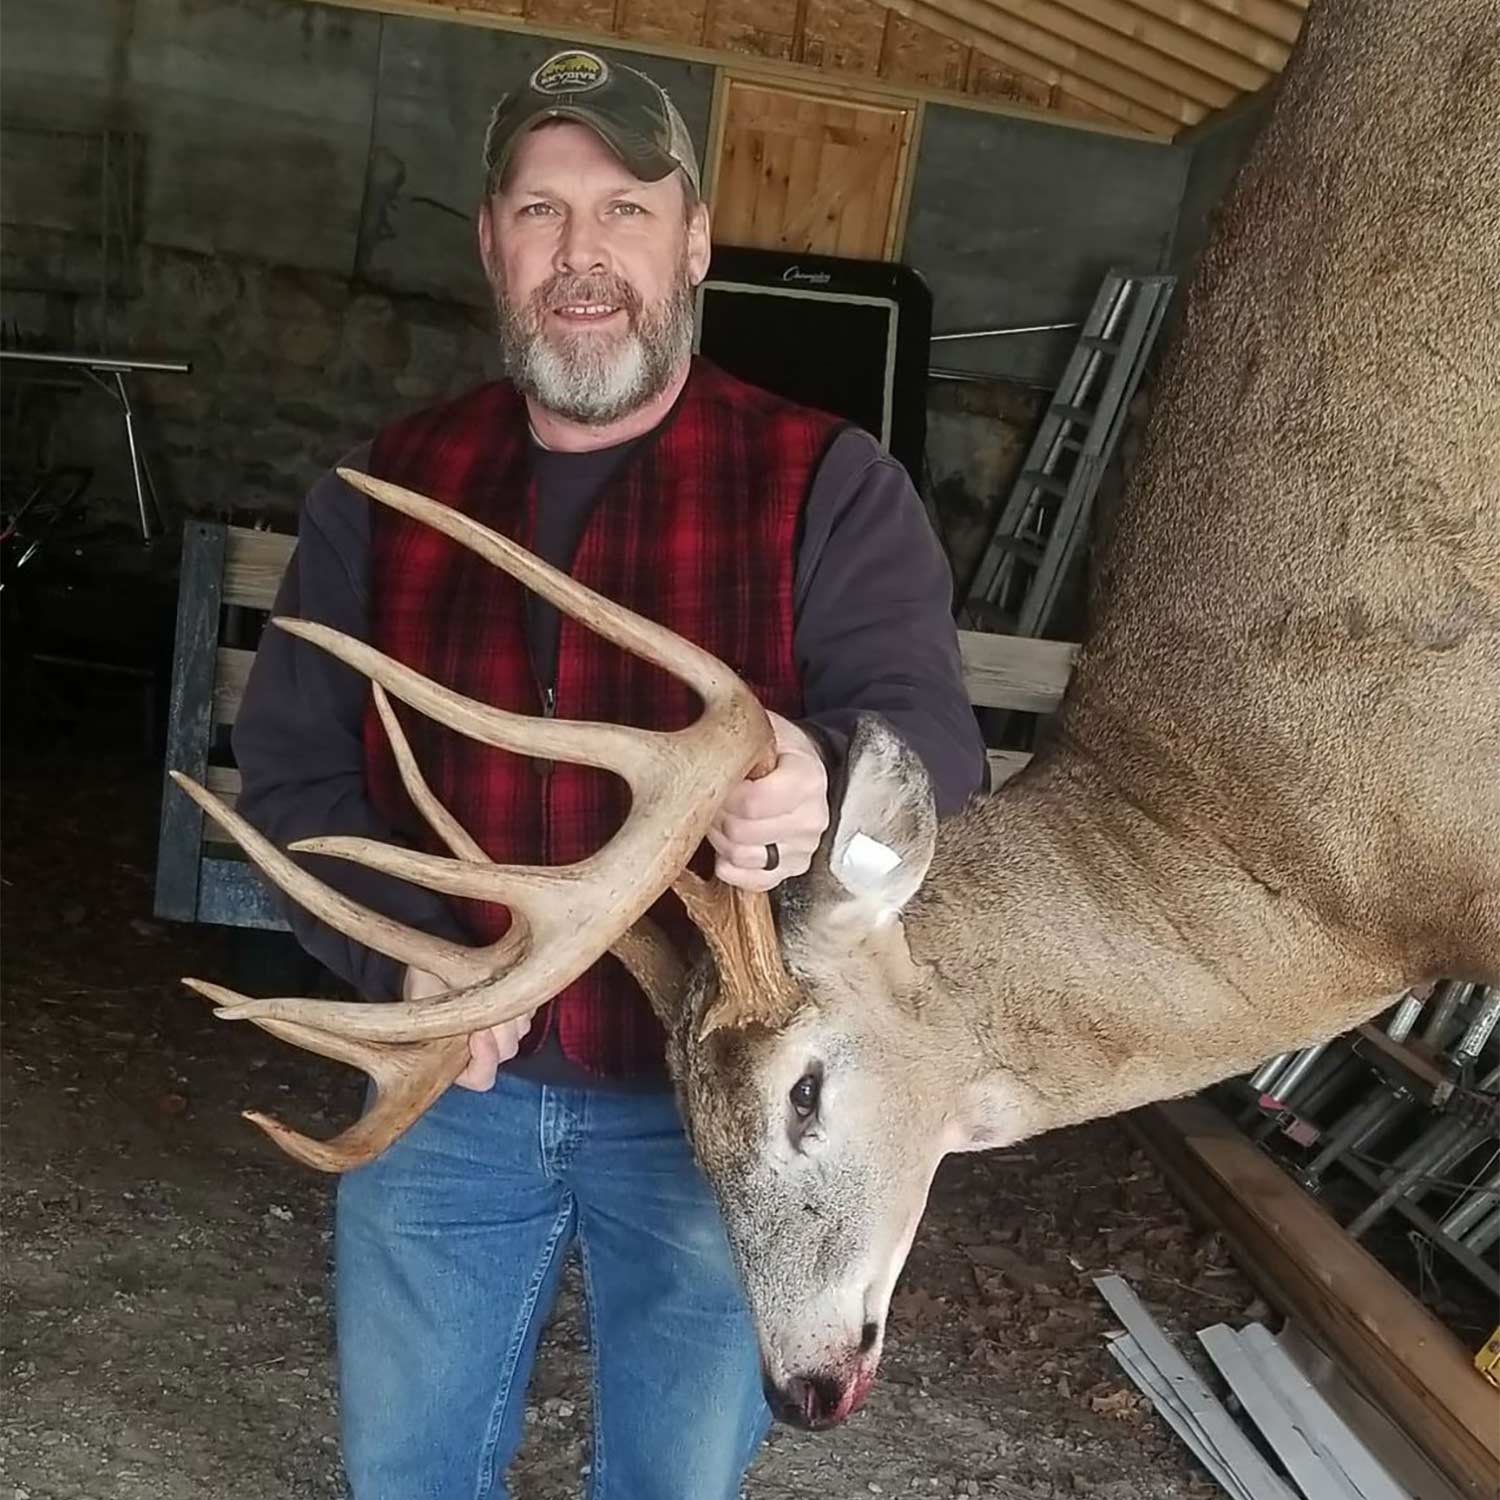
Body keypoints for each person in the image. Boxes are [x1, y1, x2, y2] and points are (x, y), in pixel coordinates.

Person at [233, 45, 986, 1500]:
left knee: (675, 1482)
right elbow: (292, 786)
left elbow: (929, 744)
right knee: (407, 1471)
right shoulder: (383, 495)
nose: (584, 256)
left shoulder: (826, 482)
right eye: (541, 212)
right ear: (493, 245)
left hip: (721, 1118)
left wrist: (826, 781)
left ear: (694, 236)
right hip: (450, 1085)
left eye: (626, 209)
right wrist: (407, 971)